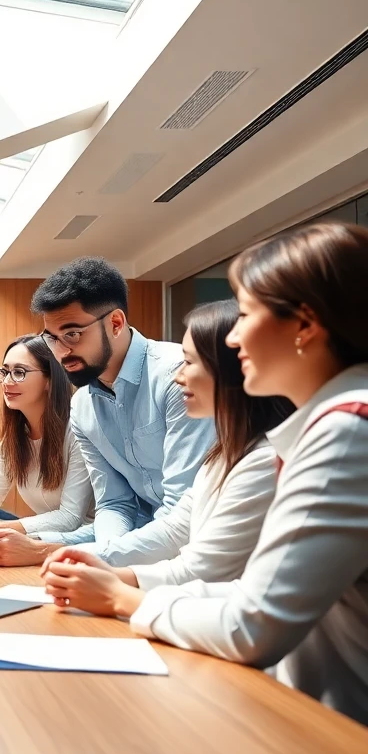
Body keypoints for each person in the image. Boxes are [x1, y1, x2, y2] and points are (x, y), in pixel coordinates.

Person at [43, 222, 368, 726]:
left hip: (340, 725)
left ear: (305, 326)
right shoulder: (317, 430)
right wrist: (118, 579)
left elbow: (252, 623)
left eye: (247, 315)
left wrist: (122, 597)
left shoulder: (347, 430)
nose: (233, 338)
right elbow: (242, 588)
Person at [38, 299, 291, 589]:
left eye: (190, 362)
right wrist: (99, 565)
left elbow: (201, 570)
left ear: (235, 368)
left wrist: (112, 588)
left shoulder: (263, 462)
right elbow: (173, 531)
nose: (179, 376)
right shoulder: (219, 460)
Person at [0, 256, 215, 565]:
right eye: (51, 338)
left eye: (72, 335)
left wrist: (103, 560)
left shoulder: (179, 378)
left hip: (201, 554)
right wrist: (105, 563)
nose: (61, 352)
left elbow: (182, 517)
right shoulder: (82, 407)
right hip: (143, 548)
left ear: (116, 323)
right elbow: (115, 504)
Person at [0, 334, 93, 552]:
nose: (7, 381)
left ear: (50, 380)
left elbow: (70, 518)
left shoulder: (78, 432)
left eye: (19, 372)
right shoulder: (15, 438)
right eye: (4, 372)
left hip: (88, 548)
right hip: (45, 544)